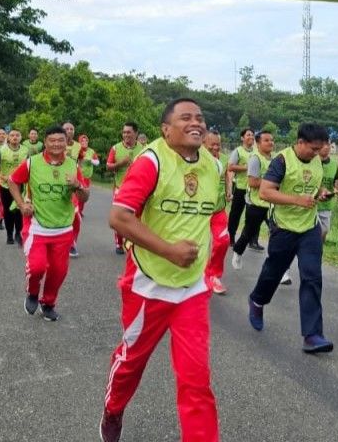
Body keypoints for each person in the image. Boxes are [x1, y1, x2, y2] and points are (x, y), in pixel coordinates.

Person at [100, 98, 221, 442]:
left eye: (200, 118)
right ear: (166, 130)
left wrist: (212, 254)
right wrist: (169, 250)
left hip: (192, 291)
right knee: (131, 363)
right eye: (185, 118)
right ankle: (113, 408)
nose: (196, 123)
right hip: (147, 287)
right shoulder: (150, 161)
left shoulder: (212, 166)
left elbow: (213, 214)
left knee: (196, 381)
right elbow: (119, 218)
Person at [246, 123, 334, 354]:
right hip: (284, 228)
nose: (317, 154)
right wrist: (297, 200)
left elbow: (311, 188)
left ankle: (312, 335)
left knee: (312, 277)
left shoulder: (316, 161)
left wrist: (320, 194)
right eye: (313, 149)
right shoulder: (282, 161)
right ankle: (257, 301)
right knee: (273, 273)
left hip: (309, 228)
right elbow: (265, 191)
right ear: (300, 142)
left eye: (320, 149)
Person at [7, 125, 89, 322]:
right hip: (37, 226)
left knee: (59, 271)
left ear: (66, 142)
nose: (56, 144)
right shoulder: (32, 163)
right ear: (45, 142)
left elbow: (85, 196)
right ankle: (33, 292)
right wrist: (21, 204)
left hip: (63, 229)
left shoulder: (72, 165)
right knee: (37, 267)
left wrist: (77, 185)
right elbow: (12, 181)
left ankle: (48, 303)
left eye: (60, 140)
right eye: (52, 140)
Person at [230, 130, 274, 272]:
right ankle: (237, 252)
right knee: (249, 232)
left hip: (271, 204)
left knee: (277, 233)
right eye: (266, 140)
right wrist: (271, 182)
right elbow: (253, 182)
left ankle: (279, 267)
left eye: (272, 140)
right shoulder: (255, 159)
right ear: (258, 143)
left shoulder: (274, 160)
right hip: (256, 203)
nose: (270, 143)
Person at [106, 121, 144, 255]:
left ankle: (133, 242)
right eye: (124, 132)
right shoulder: (116, 148)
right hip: (120, 188)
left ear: (136, 133)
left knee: (137, 217)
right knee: (119, 217)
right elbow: (108, 166)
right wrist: (121, 163)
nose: (126, 135)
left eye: (129, 132)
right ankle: (118, 243)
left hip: (138, 189)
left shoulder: (144, 148)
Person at [203, 129, 232, 295]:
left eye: (218, 145)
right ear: (203, 145)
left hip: (218, 210)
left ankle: (213, 275)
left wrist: (229, 190)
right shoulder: (197, 159)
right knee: (195, 245)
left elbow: (226, 176)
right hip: (198, 211)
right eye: (211, 145)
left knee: (223, 241)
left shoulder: (224, 159)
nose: (215, 149)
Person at [227, 128, 262, 251]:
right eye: (248, 135)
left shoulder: (257, 152)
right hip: (241, 188)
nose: (251, 137)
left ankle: (253, 241)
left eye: (252, 135)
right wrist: (246, 167)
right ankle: (231, 237)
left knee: (254, 216)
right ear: (242, 138)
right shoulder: (238, 151)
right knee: (236, 215)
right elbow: (230, 167)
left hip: (253, 190)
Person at [0, 129, 30, 245]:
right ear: (8, 138)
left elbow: (30, 167)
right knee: (8, 210)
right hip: (5, 185)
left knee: (20, 209)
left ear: (21, 137)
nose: (15, 137)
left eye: (17, 135)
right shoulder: (2, 150)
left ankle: (18, 233)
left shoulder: (26, 150)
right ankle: (9, 234)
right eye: (12, 135)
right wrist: (2, 176)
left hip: (20, 186)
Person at [69, 133, 99, 257]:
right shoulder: (59, 146)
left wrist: (90, 160)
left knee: (77, 213)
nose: (84, 143)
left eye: (86, 141)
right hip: (63, 179)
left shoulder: (89, 151)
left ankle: (72, 244)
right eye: (82, 140)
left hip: (83, 177)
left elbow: (97, 162)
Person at [316, 142, 338, 244]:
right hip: (312, 204)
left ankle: (319, 248)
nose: (327, 147)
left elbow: (336, 182)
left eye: (329, 144)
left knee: (325, 230)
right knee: (316, 230)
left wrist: (336, 188)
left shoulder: (334, 164)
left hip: (326, 204)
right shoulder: (312, 162)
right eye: (323, 144)